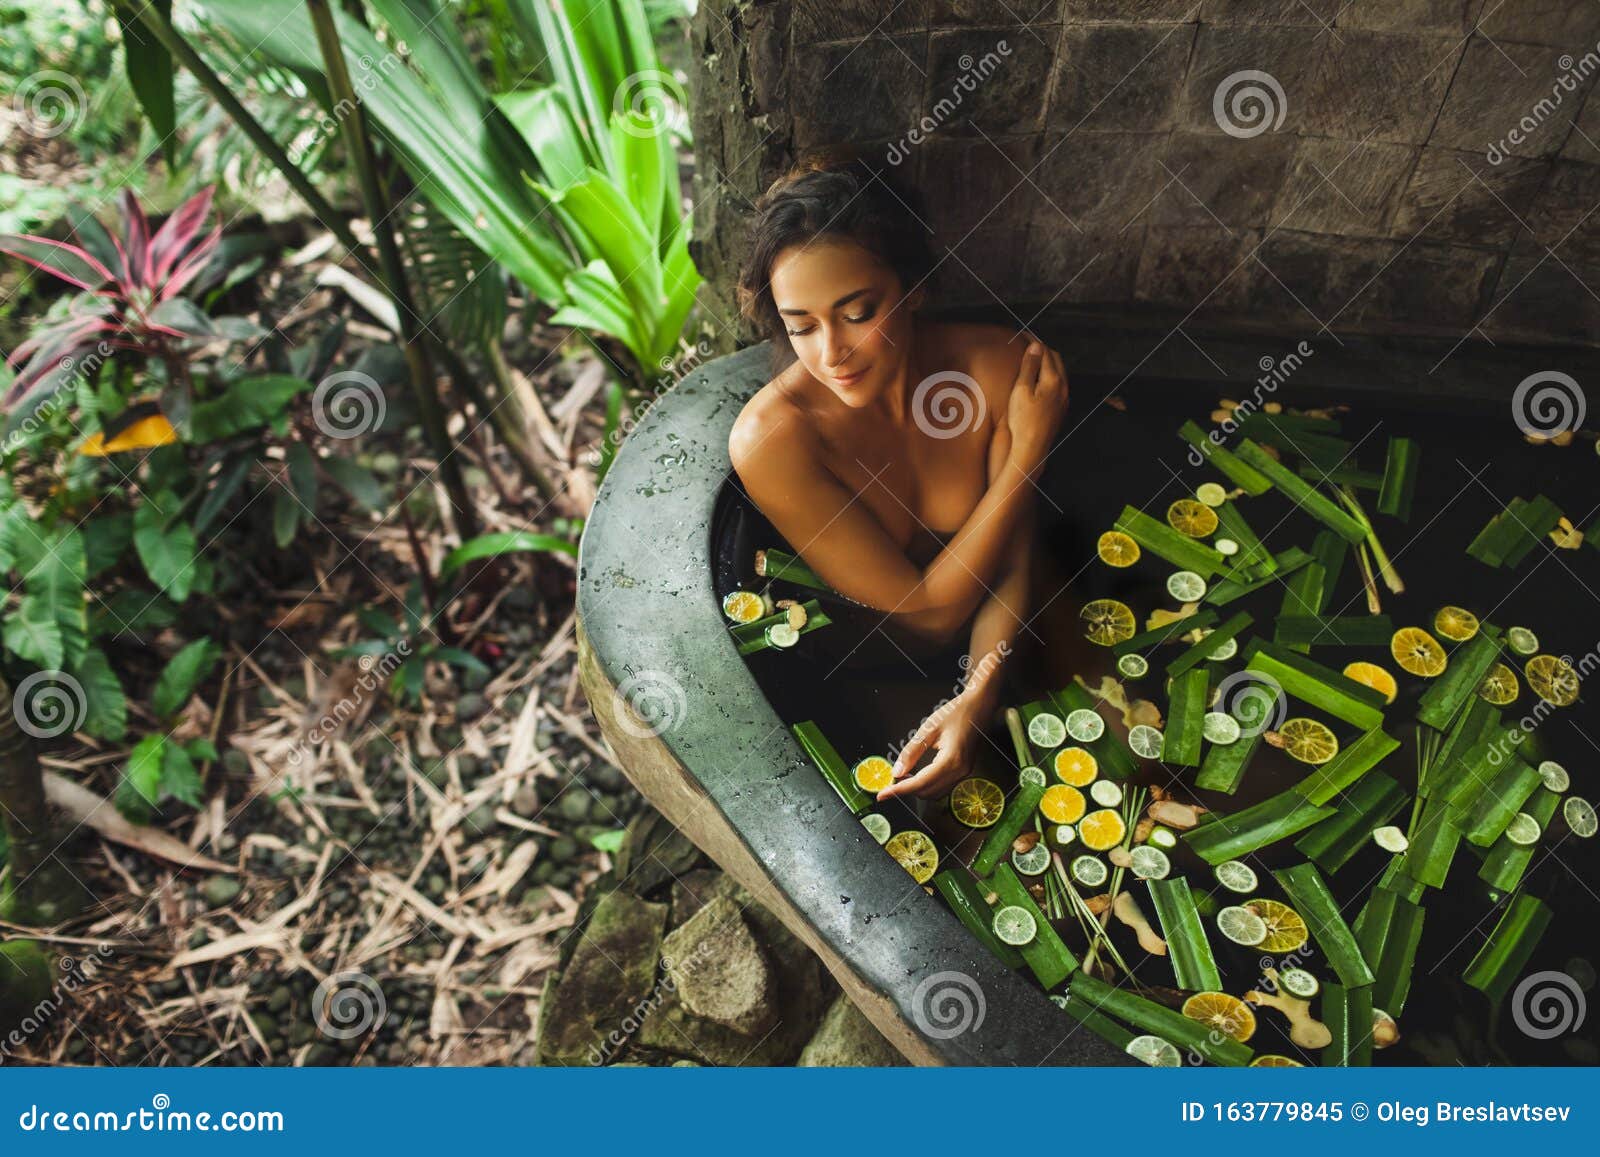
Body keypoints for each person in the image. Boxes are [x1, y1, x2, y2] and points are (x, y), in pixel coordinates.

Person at [728, 155, 1072, 805]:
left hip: (1004, 630)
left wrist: (979, 690)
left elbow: (1013, 555)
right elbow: (928, 617)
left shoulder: (998, 371)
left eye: (858, 312)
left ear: (913, 287)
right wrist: (1030, 452)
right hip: (866, 676)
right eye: (800, 326)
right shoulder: (776, 440)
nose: (832, 353)